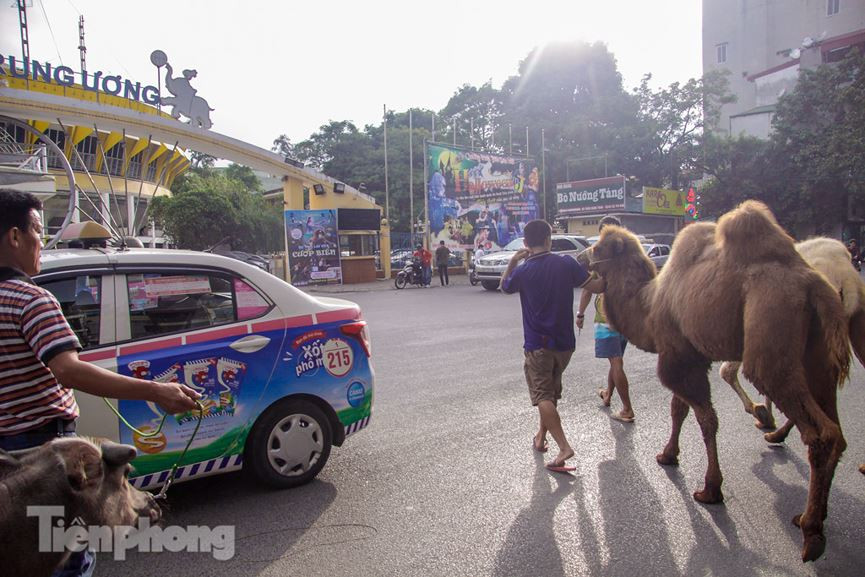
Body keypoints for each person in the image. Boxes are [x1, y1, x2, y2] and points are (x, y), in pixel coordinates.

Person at [0, 190, 200, 577]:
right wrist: (157, 391)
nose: (42, 242)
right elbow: (68, 370)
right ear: (14, 236)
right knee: (65, 554)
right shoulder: (31, 300)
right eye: (39, 231)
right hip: (43, 452)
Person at [501, 219, 605, 472]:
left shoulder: (524, 271)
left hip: (538, 345)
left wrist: (513, 261)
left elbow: (505, 287)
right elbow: (597, 286)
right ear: (550, 239)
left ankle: (564, 447)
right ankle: (540, 437)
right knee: (551, 393)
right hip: (565, 345)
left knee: (543, 396)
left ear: (526, 244)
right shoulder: (566, 263)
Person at [576, 215, 635, 423]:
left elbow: (587, 290)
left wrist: (580, 314)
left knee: (616, 362)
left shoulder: (600, 256)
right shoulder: (630, 255)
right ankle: (608, 395)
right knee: (615, 358)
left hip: (607, 317)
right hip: (627, 318)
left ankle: (627, 409)